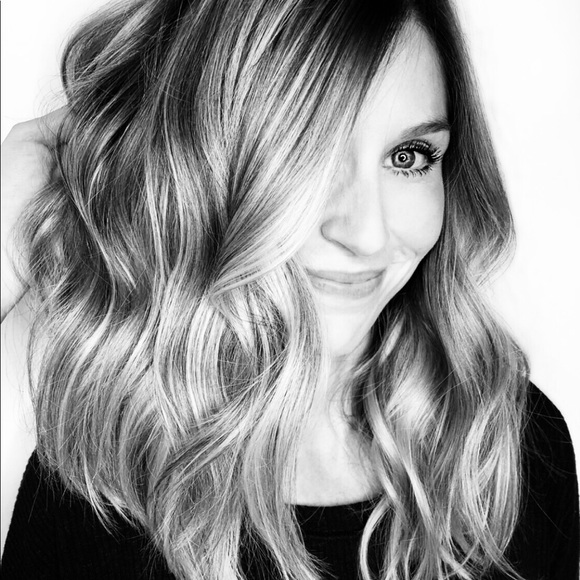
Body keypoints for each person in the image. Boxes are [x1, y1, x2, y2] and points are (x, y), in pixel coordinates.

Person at [1, 0, 578, 578]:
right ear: (205, 170)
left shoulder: (511, 448)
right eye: (309, 155)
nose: (368, 234)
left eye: (408, 157)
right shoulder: (97, 487)